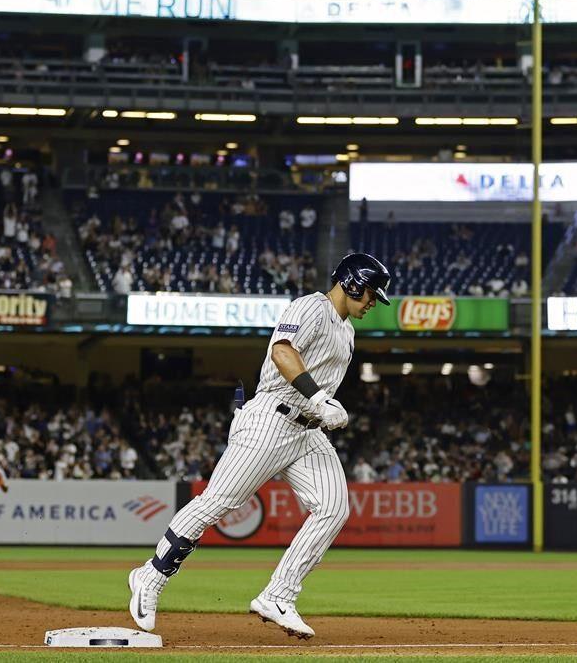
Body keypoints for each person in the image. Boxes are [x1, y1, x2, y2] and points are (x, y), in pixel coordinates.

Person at [127, 253, 392, 639]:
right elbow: (282, 351)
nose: (372, 302)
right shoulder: (311, 307)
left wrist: (322, 409)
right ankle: (150, 575)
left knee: (334, 508)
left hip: (306, 430)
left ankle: (278, 595)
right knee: (217, 502)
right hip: (272, 416)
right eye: (371, 292)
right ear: (352, 282)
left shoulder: (347, 331)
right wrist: (319, 399)